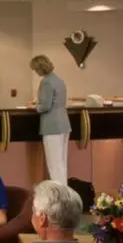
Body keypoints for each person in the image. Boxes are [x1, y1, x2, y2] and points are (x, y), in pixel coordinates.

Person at [29, 55, 70, 186]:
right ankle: (64, 192)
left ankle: (59, 194)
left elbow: (46, 106)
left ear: (39, 68)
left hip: (52, 126)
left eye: (35, 69)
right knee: (61, 164)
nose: (35, 72)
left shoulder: (46, 82)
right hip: (64, 124)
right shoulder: (59, 80)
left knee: (54, 165)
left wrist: (35, 107)